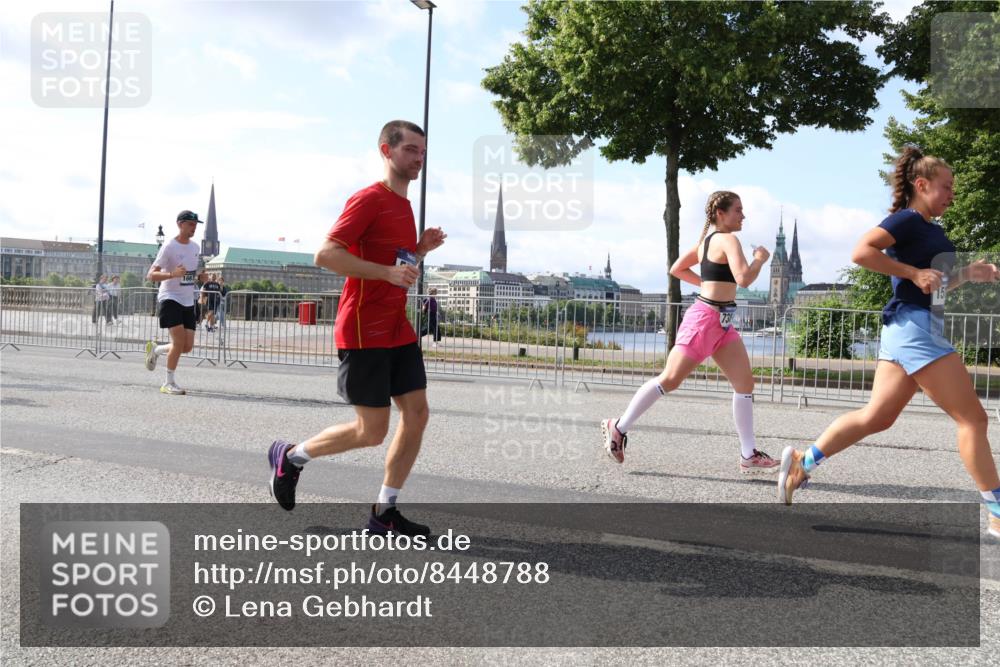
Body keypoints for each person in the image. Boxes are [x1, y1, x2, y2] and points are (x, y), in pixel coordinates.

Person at [778, 147, 1000, 538]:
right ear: (922, 185)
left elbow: (935, 286)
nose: (952, 194)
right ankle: (997, 509)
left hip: (908, 327)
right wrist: (913, 272)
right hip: (915, 329)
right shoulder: (908, 220)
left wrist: (968, 272)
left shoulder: (932, 230)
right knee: (973, 419)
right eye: (946, 186)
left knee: (877, 416)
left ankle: (803, 460)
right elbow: (862, 251)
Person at [267, 120, 446, 536]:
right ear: (387, 150)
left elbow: (397, 264)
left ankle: (384, 512)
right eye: (410, 151)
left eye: (423, 152)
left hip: (397, 328)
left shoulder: (403, 206)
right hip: (364, 328)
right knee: (371, 432)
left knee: (417, 416)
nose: (418, 158)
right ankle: (291, 457)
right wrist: (385, 272)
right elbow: (325, 255)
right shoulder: (369, 199)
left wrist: (417, 251)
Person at [600, 190, 778, 474]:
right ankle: (618, 427)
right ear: (721, 213)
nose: (743, 216)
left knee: (744, 385)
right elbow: (744, 277)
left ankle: (748, 455)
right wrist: (759, 258)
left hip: (722, 322)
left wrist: (705, 282)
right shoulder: (728, 239)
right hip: (705, 319)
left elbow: (677, 268)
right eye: (738, 210)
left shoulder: (706, 243)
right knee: (669, 379)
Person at [143, 210, 204, 395]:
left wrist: (200, 277)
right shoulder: (169, 246)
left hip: (188, 299)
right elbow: (151, 275)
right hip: (170, 297)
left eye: (195, 225)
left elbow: (190, 275)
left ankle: (157, 349)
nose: (194, 228)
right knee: (178, 342)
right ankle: (168, 383)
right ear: (180, 224)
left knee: (187, 347)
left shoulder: (195, 248)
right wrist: (171, 274)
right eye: (190, 224)